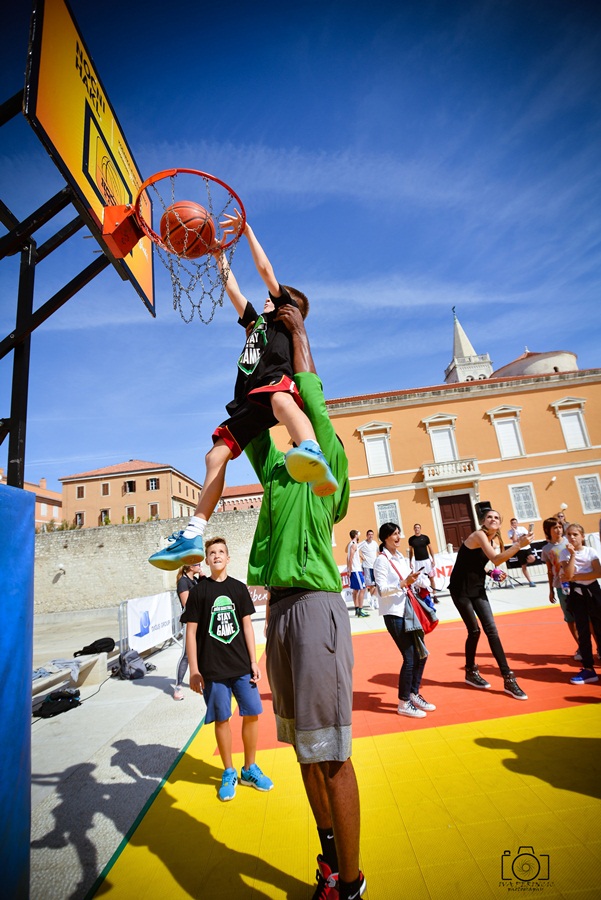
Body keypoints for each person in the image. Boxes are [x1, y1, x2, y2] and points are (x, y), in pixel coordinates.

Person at [244, 304, 365, 900]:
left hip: (316, 605)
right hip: (280, 610)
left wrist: (297, 333)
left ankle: (353, 883)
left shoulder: (326, 467)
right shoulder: (274, 470)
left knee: (333, 753)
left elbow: (308, 397)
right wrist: (252, 340)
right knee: (302, 749)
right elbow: (253, 415)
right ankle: (329, 858)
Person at [148, 212, 337, 571]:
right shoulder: (256, 325)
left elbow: (266, 271)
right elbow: (232, 289)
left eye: (272, 299)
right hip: (249, 400)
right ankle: (193, 531)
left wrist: (248, 233)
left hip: (276, 385)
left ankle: (313, 454)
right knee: (214, 456)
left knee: (281, 399)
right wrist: (217, 254)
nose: (265, 300)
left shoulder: (284, 316)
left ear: (286, 305)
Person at [184, 536, 273, 801]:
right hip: (212, 670)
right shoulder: (199, 591)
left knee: (252, 713)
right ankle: (229, 770)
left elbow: (246, 625)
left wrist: (254, 660)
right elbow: (191, 632)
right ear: (207, 560)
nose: (217, 555)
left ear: (228, 557)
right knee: (222, 718)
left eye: (221, 551)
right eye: (212, 552)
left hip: (241, 666)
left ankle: (250, 768)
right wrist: (194, 670)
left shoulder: (238, 588)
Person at [449, 508, 532, 700]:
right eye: (489, 517)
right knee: (475, 631)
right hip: (460, 589)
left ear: (500, 522)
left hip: (477, 589)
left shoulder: (495, 541)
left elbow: (480, 562)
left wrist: (490, 573)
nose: (493, 519)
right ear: (483, 521)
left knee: (492, 630)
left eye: (496, 517)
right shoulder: (479, 535)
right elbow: (496, 559)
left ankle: (508, 678)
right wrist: (519, 545)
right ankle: (471, 671)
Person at [373, 522, 436, 719]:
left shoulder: (401, 557)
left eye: (399, 533)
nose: (398, 537)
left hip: (409, 611)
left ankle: (413, 693)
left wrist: (420, 580)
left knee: (421, 654)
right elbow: (381, 590)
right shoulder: (381, 561)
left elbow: (409, 580)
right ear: (385, 538)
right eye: (394, 534)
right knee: (410, 657)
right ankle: (403, 702)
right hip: (394, 613)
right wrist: (403, 583)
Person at [560, 523, 601, 685]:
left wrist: (576, 577)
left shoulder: (591, 551)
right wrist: (572, 556)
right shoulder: (565, 553)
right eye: (569, 534)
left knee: (599, 627)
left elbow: (598, 572)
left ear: (582, 536)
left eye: (575, 534)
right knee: (583, 630)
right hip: (577, 595)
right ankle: (588, 669)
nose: (572, 537)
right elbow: (568, 574)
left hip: (594, 593)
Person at [540, 516, 579, 657]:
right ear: (548, 530)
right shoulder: (546, 549)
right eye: (555, 527)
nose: (558, 530)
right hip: (561, 586)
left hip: (577, 582)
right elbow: (550, 570)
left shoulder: (571, 543)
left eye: (560, 526)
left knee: (586, 616)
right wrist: (551, 590)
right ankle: (580, 646)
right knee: (570, 617)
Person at [173, 561, 203, 701]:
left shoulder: (196, 580)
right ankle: (178, 686)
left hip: (200, 620)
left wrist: (203, 577)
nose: (200, 566)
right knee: (186, 654)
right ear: (190, 566)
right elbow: (187, 604)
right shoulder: (183, 582)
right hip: (190, 621)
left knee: (202, 651)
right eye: (198, 565)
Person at [408, 523, 438, 602]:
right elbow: (411, 551)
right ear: (414, 529)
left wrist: (433, 559)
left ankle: (434, 596)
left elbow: (430, 548)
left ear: (420, 529)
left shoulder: (425, 538)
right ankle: (423, 596)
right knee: (419, 579)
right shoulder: (411, 539)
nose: (417, 529)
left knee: (431, 578)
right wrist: (410, 561)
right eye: (415, 528)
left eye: (418, 528)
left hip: (427, 561)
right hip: (418, 562)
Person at [507, 518, 536, 587]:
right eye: (512, 523)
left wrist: (520, 538)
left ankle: (526, 561)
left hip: (526, 547)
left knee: (532, 558)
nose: (514, 524)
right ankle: (530, 581)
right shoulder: (510, 532)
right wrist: (514, 532)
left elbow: (527, 535)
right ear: (511, 524)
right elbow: (514, 540)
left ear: (517, 523)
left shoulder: (522, 528)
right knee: (524, 566)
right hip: (519, 549)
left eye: (515, 522)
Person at [347, 530, 368, 617]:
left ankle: (357, 609)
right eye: (358, 534)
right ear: (356, 535)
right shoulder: (353, 545)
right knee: (362, 589)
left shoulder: (351, 544)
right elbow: (350, 557)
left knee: (355, 590)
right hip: (356, 570)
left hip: (354, 570)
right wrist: (350, 569)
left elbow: (349, 555)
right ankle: (360, 609)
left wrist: (360, 556)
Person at [358, 529, 378, 608]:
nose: (370, 536)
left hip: (375, 565)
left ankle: (373, 598)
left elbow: (378, 552)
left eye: (372, 534)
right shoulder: (363, 543)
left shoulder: (375, 543)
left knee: (377, 584)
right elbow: (356, 548)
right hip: (367, 566)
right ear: (367, 535)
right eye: (369, 534)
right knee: (371, 585)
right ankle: (372, 602)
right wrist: (361, 556)